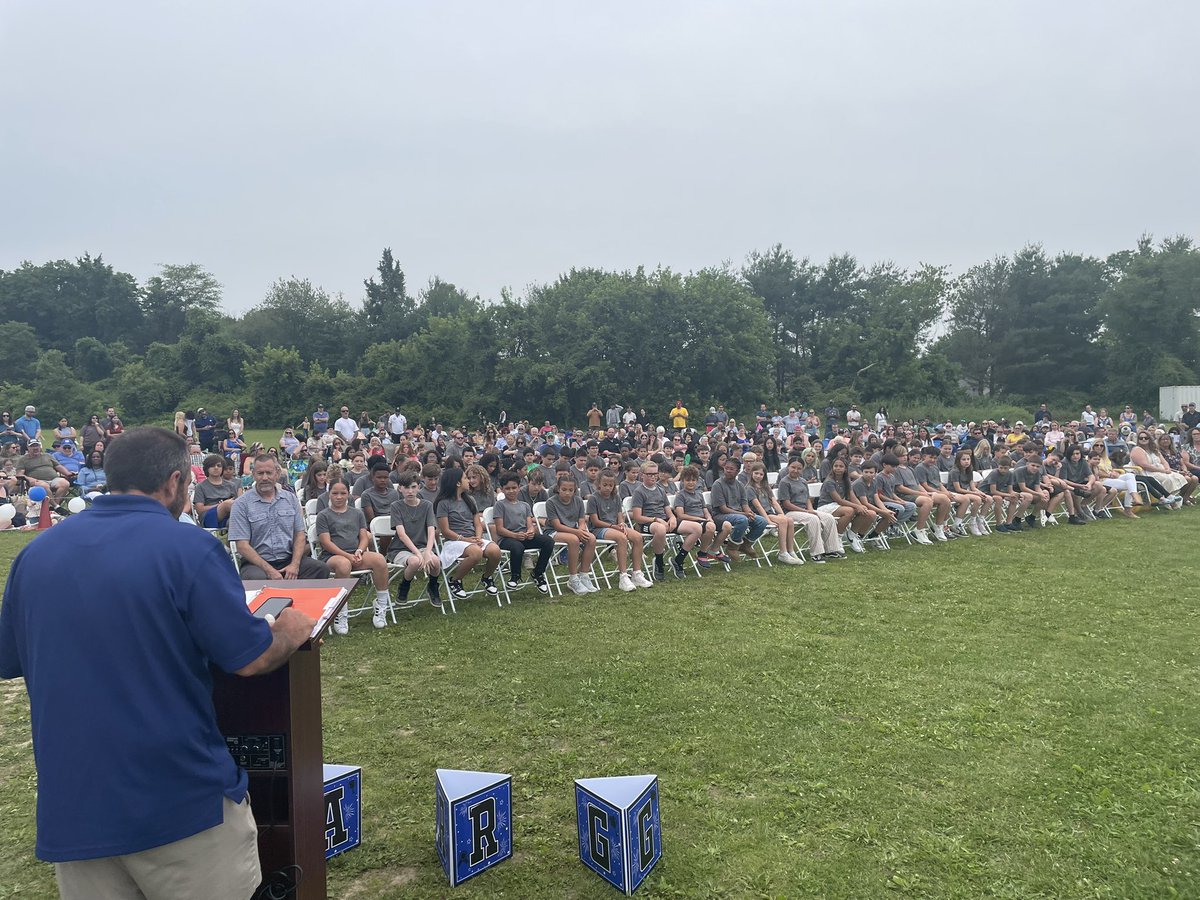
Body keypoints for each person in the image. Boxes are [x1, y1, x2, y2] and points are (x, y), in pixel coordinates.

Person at [0, 427, 316, 900]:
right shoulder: (187, 548)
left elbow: (11, 659)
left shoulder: (35, 554)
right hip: (179, 801)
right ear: (174, 482)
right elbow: (250, 659)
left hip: (75, 804)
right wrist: (291, 629)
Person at [228, 454, 330, 581]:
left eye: (269, 473)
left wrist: (294, 565)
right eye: (260, 473)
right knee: (256, 579)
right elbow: (242, 546)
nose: (265, 478)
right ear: (253, 474)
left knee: (321, 569)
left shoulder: (290, 499)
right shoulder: (241, 504)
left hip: (289, 558)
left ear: (277, 473)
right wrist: (269, 570)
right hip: (256, 563)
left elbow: (299, 535)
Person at [317, 480, 394, 632]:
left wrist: (359, 551)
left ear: (348, 494)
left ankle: (381, 605)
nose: (339, 497)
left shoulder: (357, 513)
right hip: (333, 555)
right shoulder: (323, 515)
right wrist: (347, 555)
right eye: (335, 493)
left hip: (356, 553)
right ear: (329, 494)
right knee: (343, 565)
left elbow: (364, 536)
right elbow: (326, 542)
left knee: (379, 560)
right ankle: (340, 611)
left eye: (343, 493)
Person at [435, 467, 502, 599]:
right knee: (476, 552)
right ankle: (455, 580)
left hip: (472, 539)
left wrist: (478, 537)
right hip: (455, 541)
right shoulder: (443, 503)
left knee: (495, 550)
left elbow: (477, 523)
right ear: (457, 483)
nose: (468, 481)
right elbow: (445, 531)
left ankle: (487, 578)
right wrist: (465, 540)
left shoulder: (470, 499)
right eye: (465, 478)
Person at [776, 456, 843, 562]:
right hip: (790, 512)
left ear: (802, 469)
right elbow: (786, 504)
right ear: (788, 467)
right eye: (793, 467)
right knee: (813, 519)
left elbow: (807, 499)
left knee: (829, 518)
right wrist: (807, 512)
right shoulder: (784, 482)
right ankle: (816, 553)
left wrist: (811, 509)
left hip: (805, 510)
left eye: (799, 468)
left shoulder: (802, 481)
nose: (795, 470)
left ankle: (831, 550)